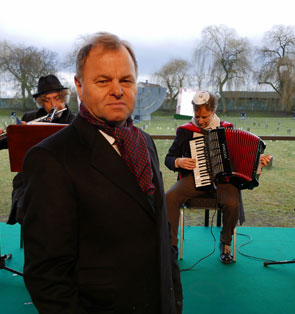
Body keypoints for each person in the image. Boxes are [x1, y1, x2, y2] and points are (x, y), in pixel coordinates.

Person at [20, 32, 182, 313]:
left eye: (126, 80)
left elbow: (159, 227)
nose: (118, 90)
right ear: (80, 86)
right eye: (103, 81)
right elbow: (48, 276)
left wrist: (173, 298)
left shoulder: (143, 142)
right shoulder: (50, 159)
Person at [164, 91, 270, 264]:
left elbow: (239, 158)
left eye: (204, 116)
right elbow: (168, 159)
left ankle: (225, 242)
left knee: (233, 203)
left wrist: (258, 163)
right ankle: (171, 247)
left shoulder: (227, 128)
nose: (200, 121)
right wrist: (178, 161)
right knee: (170, 197)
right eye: (197, 116)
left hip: (223, 180)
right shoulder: (185, 131)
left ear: (213, 111)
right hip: (194, 178)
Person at [0, 74, 76, 225]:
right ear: (41, 102)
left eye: (56, 98)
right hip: (31, 179)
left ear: (63, 98)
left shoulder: (73, 122)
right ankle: (35, 239)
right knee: (33, 200)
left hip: (63, 179)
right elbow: (9, 143)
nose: (53, 104)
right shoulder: (30, 118)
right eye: (47, 100)